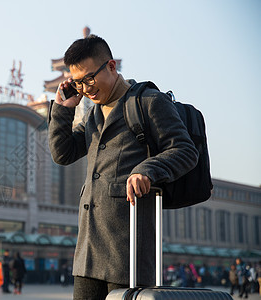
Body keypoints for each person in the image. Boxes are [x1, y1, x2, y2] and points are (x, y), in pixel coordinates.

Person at [48, 34, 198, 300]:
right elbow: (63, 153)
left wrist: (147, 170)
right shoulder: (94, 114)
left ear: (111, 66)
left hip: (128, 251)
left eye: (89, 78)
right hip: (87, 253)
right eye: (78, 83)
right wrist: (63, 108)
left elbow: (185, 151)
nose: (85, 89)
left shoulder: (148, 102)